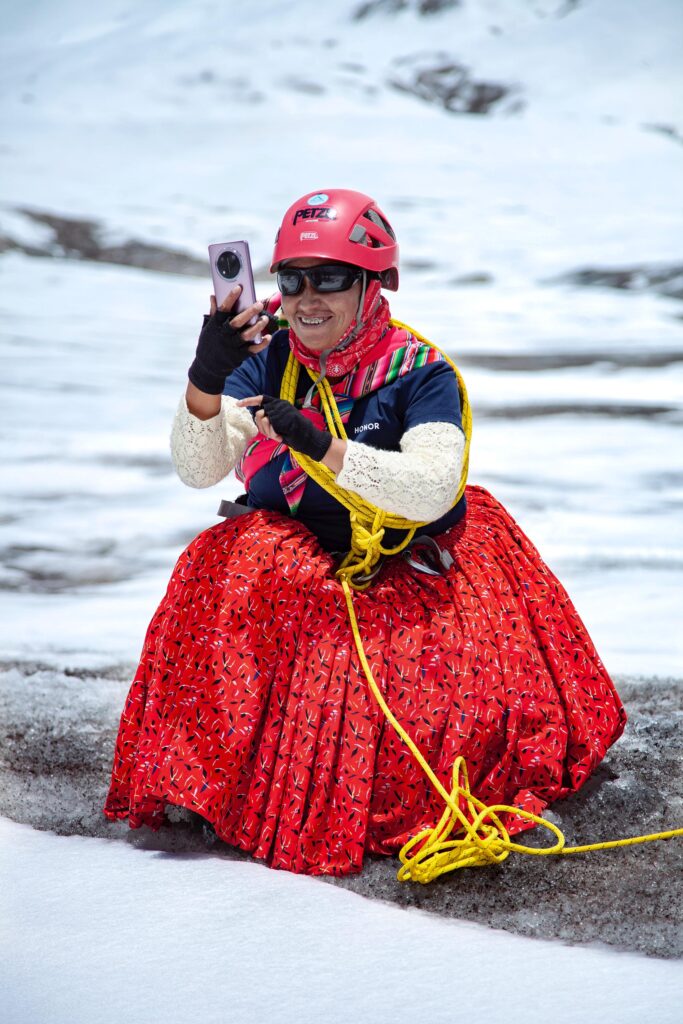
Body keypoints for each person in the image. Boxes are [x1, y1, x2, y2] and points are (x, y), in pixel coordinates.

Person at [104, 189, 626, 878]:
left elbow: (431, 487)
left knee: (412, 726)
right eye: (292, 279)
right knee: (215, 563)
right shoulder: (264, 360)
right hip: (299, 571)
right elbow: (198, 470)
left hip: (406, 570)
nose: (306, 298)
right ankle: (205, 783)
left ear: (373, 285)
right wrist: (204, 383)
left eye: (331, 279)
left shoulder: (421, 375)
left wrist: (320, 445)